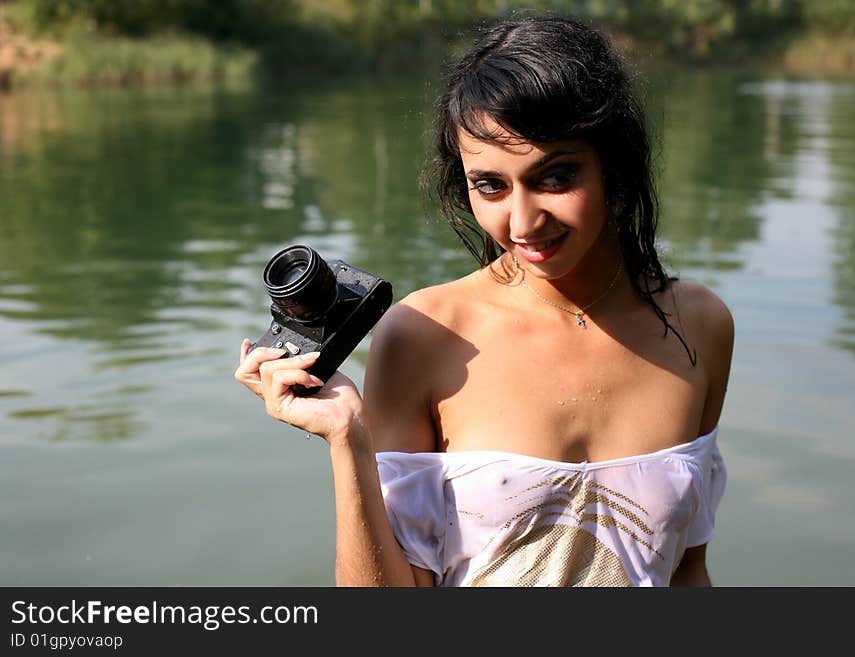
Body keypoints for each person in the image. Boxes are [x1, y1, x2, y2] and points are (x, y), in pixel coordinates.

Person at [234, 14, 734, 587]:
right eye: (490, 185)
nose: (523, 222)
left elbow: (688, 571)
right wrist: (348, 437)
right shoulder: (424, 333)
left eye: (556, 176)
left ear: (612, 166)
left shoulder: (700, 326)